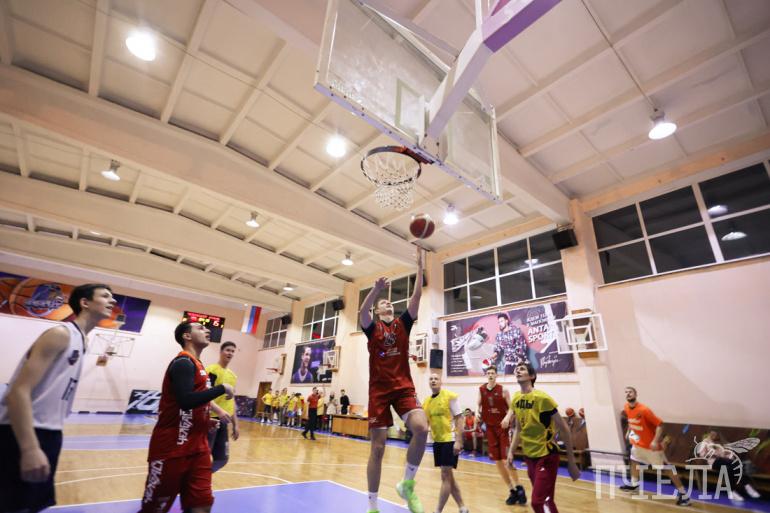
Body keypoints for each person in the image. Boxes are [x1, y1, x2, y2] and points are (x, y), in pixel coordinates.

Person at [0, 283, 115, 513]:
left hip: (51, 432)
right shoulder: (60, 334)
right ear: (85, 303)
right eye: (105, 296)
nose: (112, 301)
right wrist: (30, 448)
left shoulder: (83, 340)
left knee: (31, 505)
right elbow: (18, 392)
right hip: (22, 431)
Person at [138, 322, 234, 513]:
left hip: (198, 448)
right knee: (155, 509)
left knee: (202, 505)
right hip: (171, 449)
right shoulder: (183, 362)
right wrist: (221, 388)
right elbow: (186, 400)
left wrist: (204, 420)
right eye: (200, 328)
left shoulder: (198, 365)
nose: (207, 330)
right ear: (187, 336)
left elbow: (194, 402)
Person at [359, 251, 429, 513]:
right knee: (378, 449)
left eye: (389, 301)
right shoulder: (372, 328)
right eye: (383, 303)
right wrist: (376, 291)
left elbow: (417, 296)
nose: (387, 303)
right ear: (378, 311)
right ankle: (372, 506)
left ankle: (406, 484)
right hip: (379, 392)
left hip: (403, 388)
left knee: (421, 428)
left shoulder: (403, 324)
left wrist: (420, 268)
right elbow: (362, 311)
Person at [506, 362, 580, 513]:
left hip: (546, 456)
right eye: (516, 369)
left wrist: (571, 462)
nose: (518, 371)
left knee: (537, 502)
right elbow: (519, 428)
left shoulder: (542, 398)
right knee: (546, 500)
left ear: (532, 376)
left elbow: (564, 429)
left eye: (522, 369)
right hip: (530, 457)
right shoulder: (516, 398)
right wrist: (511, 452)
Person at [619, 386, 690, 506]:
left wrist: (655, 441)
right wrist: (628, 431)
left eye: (630, 392)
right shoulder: (626, 407)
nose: (628, 394)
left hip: (651, 448)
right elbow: (632, 420)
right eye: (626, 392)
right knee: (634, 461)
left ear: (636, 394)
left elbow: (660, 425)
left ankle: (684, 495)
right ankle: (634, 485)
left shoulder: (644, 410)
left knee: (666, 469)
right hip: (638, 444)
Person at [478, 366, 526, 505]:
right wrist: (476, 412)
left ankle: (519, 486)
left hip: (502, 429)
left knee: (506, 460)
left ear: (496, 375)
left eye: (493, 373)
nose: (490, 375)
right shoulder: (481, 389)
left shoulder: (503, 390)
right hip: (490, 429)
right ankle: (512, 490)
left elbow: (512, 407)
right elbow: (478, 404)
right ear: (486, 375)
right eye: (488, 373)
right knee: (498, 461)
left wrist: (507, 417)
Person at [423, 372, 468, 513]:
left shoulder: (449, 396)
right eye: (431, 379)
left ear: (441, 381)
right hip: (438, 441)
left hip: (450, 440)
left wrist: (458, 441)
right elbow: (426, 423)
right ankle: (462, 507)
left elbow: (460, 418)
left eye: (436, 378)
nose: (433, 380)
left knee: (445, 476)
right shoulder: (427, 402)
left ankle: (438, 510)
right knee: (449, 477)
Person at [206, 341, 239, 473]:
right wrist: (218, 411)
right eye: (228, 350)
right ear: (221, 352)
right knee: (203, 457)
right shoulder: (211, 370)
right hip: (211, 420)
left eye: (232, 351)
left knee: (222, 459)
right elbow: (205, 395)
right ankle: (195, 480)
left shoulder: (232, 376)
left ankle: (203, 477)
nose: (230, 353)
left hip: (224, 422)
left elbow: (232, 401)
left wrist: (235, 424)